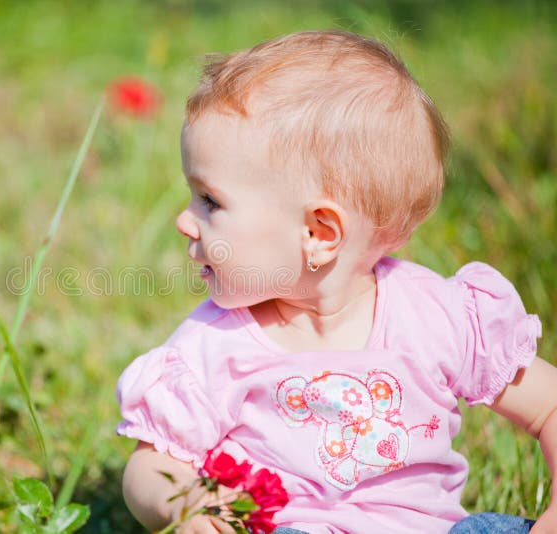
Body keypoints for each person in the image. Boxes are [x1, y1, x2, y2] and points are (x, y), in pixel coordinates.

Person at [115, 30, 557, 534]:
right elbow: (151, 464)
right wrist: (184, 502)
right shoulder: (215, 345)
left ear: (319, 233)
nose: (184, 220)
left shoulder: (436, 317)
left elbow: (548, 406)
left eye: (210, 202)